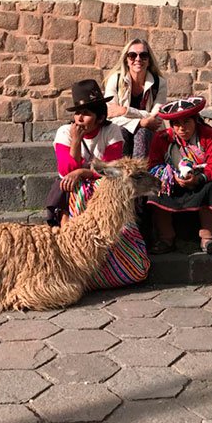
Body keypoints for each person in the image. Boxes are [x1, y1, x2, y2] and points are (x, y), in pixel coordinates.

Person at [44, 79, 150, 288]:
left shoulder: (112, 132)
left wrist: (83, 171)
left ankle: (113, 261)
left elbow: (111, 170)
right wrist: (76, 141)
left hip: (103, 190)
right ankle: (72, 242)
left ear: (100, 117)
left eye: (86, 114)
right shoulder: (65, 133)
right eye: (77, 113)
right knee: (72, 185)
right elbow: (66, 170)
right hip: (72, 192)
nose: (79, 119)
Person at [146, 97, 212, 256]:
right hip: (174, 183)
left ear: (195, 121)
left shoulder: (208, 136)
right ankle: (166, 238)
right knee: (156, 189)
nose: (182, 128)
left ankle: (208, 238)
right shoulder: (162, 139)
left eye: (186, 122)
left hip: (201, 181)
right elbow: (153, 165)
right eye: (177, 124)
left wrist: (198, 179)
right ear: (172, 125)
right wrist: (172, 178)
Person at [104, 38, 167, 158]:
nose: (138, 59)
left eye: (143, 55)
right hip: (122, 130)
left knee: (143, 133)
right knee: (120, 131)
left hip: (149, 134)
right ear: (126, 60)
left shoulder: (159, 83)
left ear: (149, 60)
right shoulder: (115, 80)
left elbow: (155, 119)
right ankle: (120, 169)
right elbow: (109, 116)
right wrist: (141, 122)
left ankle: (140, 170)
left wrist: (124, 111)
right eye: (132, 55)